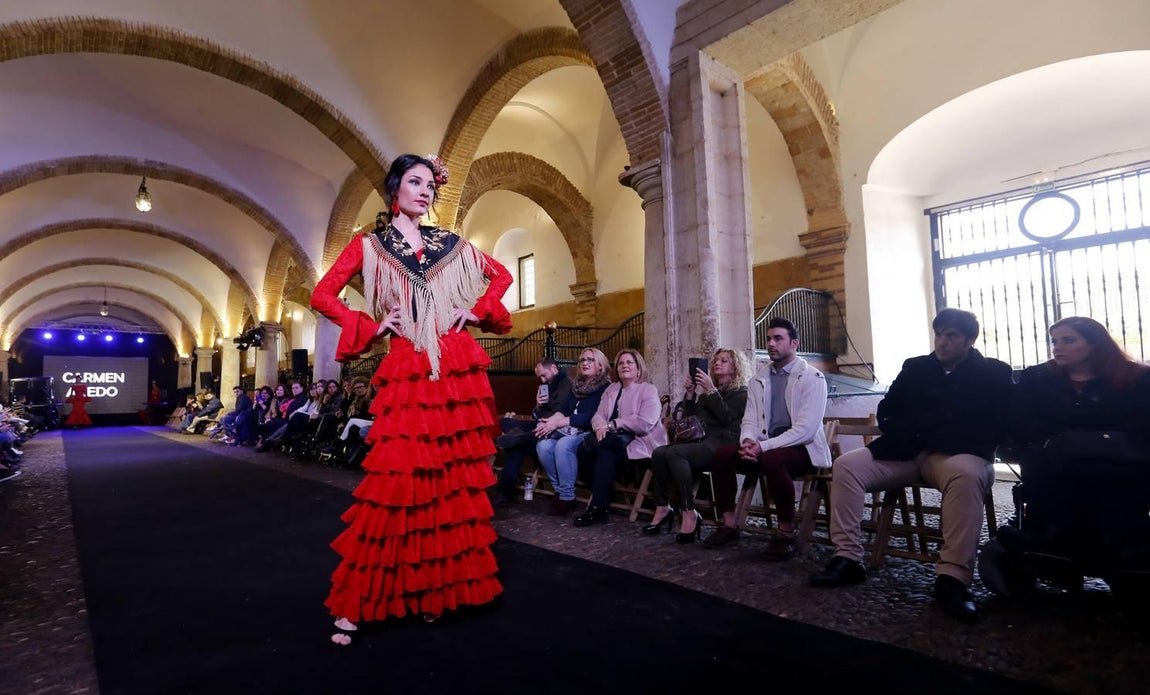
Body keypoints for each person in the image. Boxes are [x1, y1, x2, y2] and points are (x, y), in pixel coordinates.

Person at [310, 153, 512, 645]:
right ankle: (362, 599)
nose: (425, 191)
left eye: (430, 185)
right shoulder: (370, 245)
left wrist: (475, 307)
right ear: (395, 188)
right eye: (415, 182)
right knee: (397, 482)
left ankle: (434, 591)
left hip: (456, 366)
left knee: (447, 482)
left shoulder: (451, 243)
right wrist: (374, 325)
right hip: (409, 365)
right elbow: (323, 295)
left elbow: (502, 276)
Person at [810, 308, 1012, 623]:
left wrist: (927, 429)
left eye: (952, 336)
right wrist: (922, 431)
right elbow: (888, 411)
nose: (942, 342)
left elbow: (995, 425)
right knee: (847, 465)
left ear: (969, 340)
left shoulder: (993, 373)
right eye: (939, 334)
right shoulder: (916, 367)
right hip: (906, 452)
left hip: (956, 455)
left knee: (968, 473)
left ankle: (953, 579)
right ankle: (848, 558)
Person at [1002, 316, 1150, 562]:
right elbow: (1021, 421)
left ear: (1095, 344)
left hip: (1116, 455)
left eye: (1068, 341)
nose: (1058, 347)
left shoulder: (1136, 378)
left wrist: (1089, 440)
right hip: (1055, 454)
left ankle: (1121, 540)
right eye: (1055, 341)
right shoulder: (1037, 378)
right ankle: (1052, 536)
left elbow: (1140, 424)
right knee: (1044, 458)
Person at [702, 320, 831, 554]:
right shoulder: (758, 379)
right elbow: (749, 419)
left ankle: (785, 533)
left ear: (794, 343)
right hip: (764, 445)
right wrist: (747, 442)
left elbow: (806, 430)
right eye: (769, 339)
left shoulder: (812, 377)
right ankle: (729, 524)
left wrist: (763, 447)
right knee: (722, 455)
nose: (771, 343)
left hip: (802, 448)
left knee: (773, 459)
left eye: (778, 338)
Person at [645, 348, 750, 542]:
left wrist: (711, 390)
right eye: (716, 360)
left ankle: (689, 511)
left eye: (724, 361)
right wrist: (691, 394)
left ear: (736, 367)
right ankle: (663, 507)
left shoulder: (742, 393)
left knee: (676, 452)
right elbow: (691, 422)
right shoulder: (707, 395)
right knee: (659, 452)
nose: (717, 363)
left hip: (724, 444)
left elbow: (726, 417)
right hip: (702, 442)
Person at [574, 349, 667, 527]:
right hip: (612, 440)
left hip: (640, 441)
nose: (625, 366)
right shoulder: (612, 388)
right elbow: (598, 415)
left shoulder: (647, 390)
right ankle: (602, 496)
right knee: (583, 448)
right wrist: (601, 426)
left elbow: (645, 422)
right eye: (621, 363)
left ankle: (598, 508)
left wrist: (614, 424)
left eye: (629, 362)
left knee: (605, 448)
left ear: (639, 368)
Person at [534, 348, 611, 517]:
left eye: (590, 360)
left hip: (588, 432)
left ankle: (567, 498)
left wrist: (557, 423)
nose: (585, 363)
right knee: (544, 445)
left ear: (600, 365)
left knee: (563, 445)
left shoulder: (605, 388)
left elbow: (589, 417)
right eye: (582, 360)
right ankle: (560, 491)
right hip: (568, 429)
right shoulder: (576, 385)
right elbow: (564, 409)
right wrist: (550, 422)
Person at [490, 357, 573, 507]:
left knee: (516, 445)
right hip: (538, 426)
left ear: (554, 368)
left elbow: (560, 412)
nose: (542, 380)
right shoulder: (547, 386)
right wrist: (538, 405)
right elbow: (537, 414)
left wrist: (543, 417)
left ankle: (505, 493)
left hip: (554, 430)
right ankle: (517, 438)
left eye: (544, 375)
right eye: (539, 377)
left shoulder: (567, 384)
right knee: (507, 423)